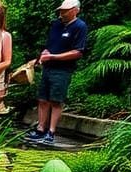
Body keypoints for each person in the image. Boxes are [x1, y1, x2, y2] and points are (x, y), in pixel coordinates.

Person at [25, 0, 87, 146]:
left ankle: (51, 132)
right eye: (61, 10)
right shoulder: (56, 25)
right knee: (42, 99)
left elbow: (78, 52)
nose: (62, 13)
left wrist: (54, 57)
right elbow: (50, 45)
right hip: (48, 67)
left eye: (65, 10)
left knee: (56, 100)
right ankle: (40, 128)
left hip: (62, 70)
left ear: (75, 10)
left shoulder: (80, 27)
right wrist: (45, 54)